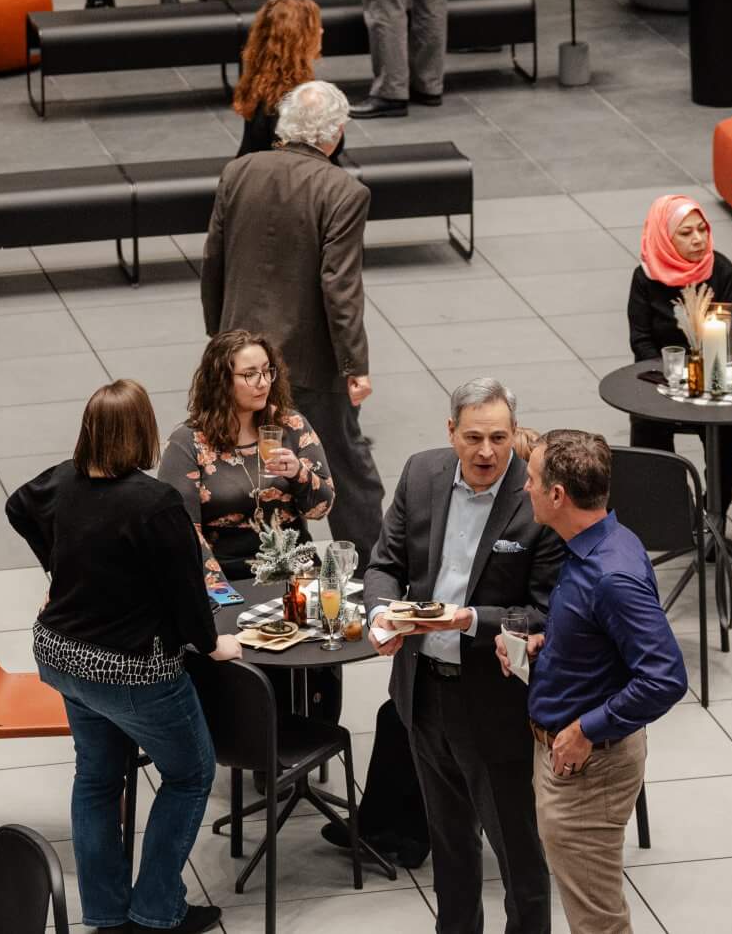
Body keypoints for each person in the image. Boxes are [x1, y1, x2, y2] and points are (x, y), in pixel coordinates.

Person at [5, 381, 235, 934]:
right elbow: (186, 593)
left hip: (62, 657)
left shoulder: (63, 480)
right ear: (142, 432)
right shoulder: (155, 503)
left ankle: (107, 913)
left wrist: (59, 568)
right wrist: (214, 645)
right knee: (190, 774)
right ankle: (156, 909)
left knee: (97, 778)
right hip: (131, 670)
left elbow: (17, 506)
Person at [364, 379, 562, 934]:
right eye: (473, 437)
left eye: (499, 437)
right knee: (450, 849)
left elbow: (545, 612)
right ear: (451, 431)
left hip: (494, 704)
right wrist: (380, 616)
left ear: (514, 432)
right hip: (422, 694)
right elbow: (384, 565)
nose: (486, 452)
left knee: (518, 855)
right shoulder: (421, 473)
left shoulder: (536, 499)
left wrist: (470, 619)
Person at [200, 79, 382, 556]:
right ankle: (374, 569)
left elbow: (213, 260)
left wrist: (220, 339)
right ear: (336, 132)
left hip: (238, 354)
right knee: (344, 467)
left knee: (245, 461)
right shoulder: (343, 191)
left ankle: (263, 562)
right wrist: (355, 366)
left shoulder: (238, 172)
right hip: (308, 362)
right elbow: (339, 287)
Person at [520, 430, 687, 934]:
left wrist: (586, 729)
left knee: (598, 923)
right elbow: (601, 636)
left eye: (531, 479)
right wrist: (550, 644)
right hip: (573, 755)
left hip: (589, 770)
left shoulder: (611, 576)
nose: (525, 488)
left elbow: (665, 677)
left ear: (557, 495)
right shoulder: (600, 542)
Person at [157, 329, 332, 576]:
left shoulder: (291, 425)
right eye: (250, 374)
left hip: (295, 568)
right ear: (221, 381)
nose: (263, 382)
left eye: (267, 371)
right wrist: (218, 588)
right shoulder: (187, 443)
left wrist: (299, 473)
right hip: (228, 574)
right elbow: (183, 532)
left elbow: (320, 509)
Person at [623, 193, 732, 464]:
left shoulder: (722, 271)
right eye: (686, 233)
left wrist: (702, 375)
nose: (698, 239)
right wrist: (671, 374)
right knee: (647, 421)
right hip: (662, 376)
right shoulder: (645, 277)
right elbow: (641, 339)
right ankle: (665, 487)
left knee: (724, 424)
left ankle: (717, 491)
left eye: (703, 229)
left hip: (714, 375)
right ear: (665, 237)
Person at [231, 0, 323, 158]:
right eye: (315, 27)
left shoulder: (263, 83)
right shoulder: (296, 100)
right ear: (299, 39)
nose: (321, 31)